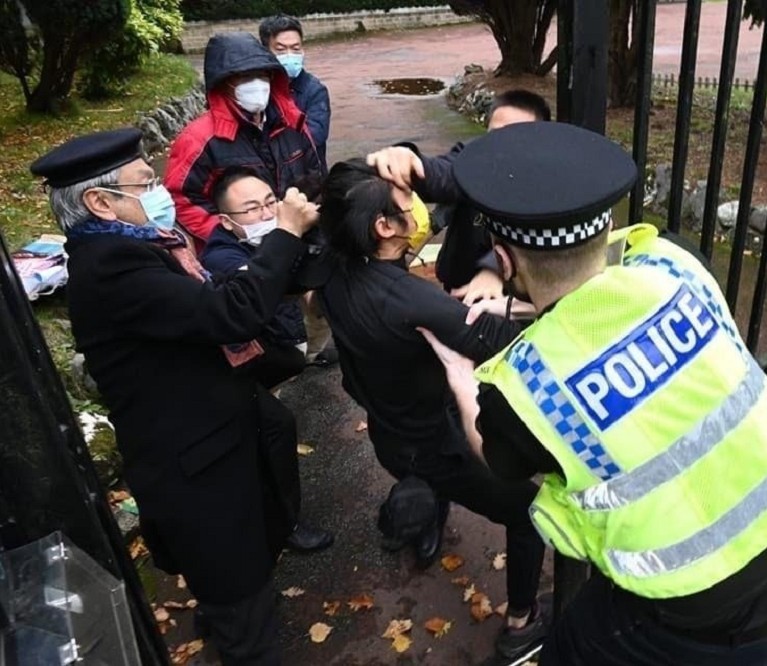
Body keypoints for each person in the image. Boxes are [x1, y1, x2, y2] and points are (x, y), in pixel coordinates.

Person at [420, 122, 767, 665]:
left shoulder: (523, 390)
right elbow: (604, 299)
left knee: (567, 651)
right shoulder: (674, 263)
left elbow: (498, 460)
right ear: (607, 223)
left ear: (505, 260)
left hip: (696, 610)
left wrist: (458, 373)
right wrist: (524, 307)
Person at [30, 127, 322, 665]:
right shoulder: (113, 268)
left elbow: (213, 297)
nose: (159, 192)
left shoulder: (142, 246)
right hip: (196, 469)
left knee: (239, 577)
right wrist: (283, 234)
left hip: (217, 436)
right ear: (101, 201)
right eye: (144, 183)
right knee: (245, 614)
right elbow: (227, 314)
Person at [317, 159, 549, 660]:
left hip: (389, 428)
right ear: (383, 227)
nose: (419, 209)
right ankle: (521, 623)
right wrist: (539, 302)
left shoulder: (333, 269)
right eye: (407, 202)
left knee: (420, 482)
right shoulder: (411, 301)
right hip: (435, 442)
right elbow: (508, 341)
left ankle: (420, 518)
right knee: (528, 515)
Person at [366, 89, 551, 304]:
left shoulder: (548, 184)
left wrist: (494, 269)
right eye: (494, 136)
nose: (499, 148)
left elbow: (542, 239)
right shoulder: (475, 158)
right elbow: (445, 173)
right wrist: (408, 162)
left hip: (510, 297)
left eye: (514, 138)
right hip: (456, 283)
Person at [165, 31, 325, 253]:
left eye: (262, 75)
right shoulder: (199, 138)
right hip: (242, 250)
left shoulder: (292, 122)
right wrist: (232, 234)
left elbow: (314, 177)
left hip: (298, 238)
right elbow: (181, 199)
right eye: (245, 77)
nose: (257, 84)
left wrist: (305, 220)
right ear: (224, 83)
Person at [201, 167, 308, 388]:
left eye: (270, 202)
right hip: (265, 347)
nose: (268, 214)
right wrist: (290, 234)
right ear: (227, 221)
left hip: (293, 327)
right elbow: (265, 285)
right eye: (252, 209)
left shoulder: (276, 231)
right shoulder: (220, 259)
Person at [259, 14, 331, 169]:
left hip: (309, 177)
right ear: (265, 52)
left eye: (295, 48)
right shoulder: (258, 90)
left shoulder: (314, 91)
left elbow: (314, 137)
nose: (290, 55)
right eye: (281, 49)